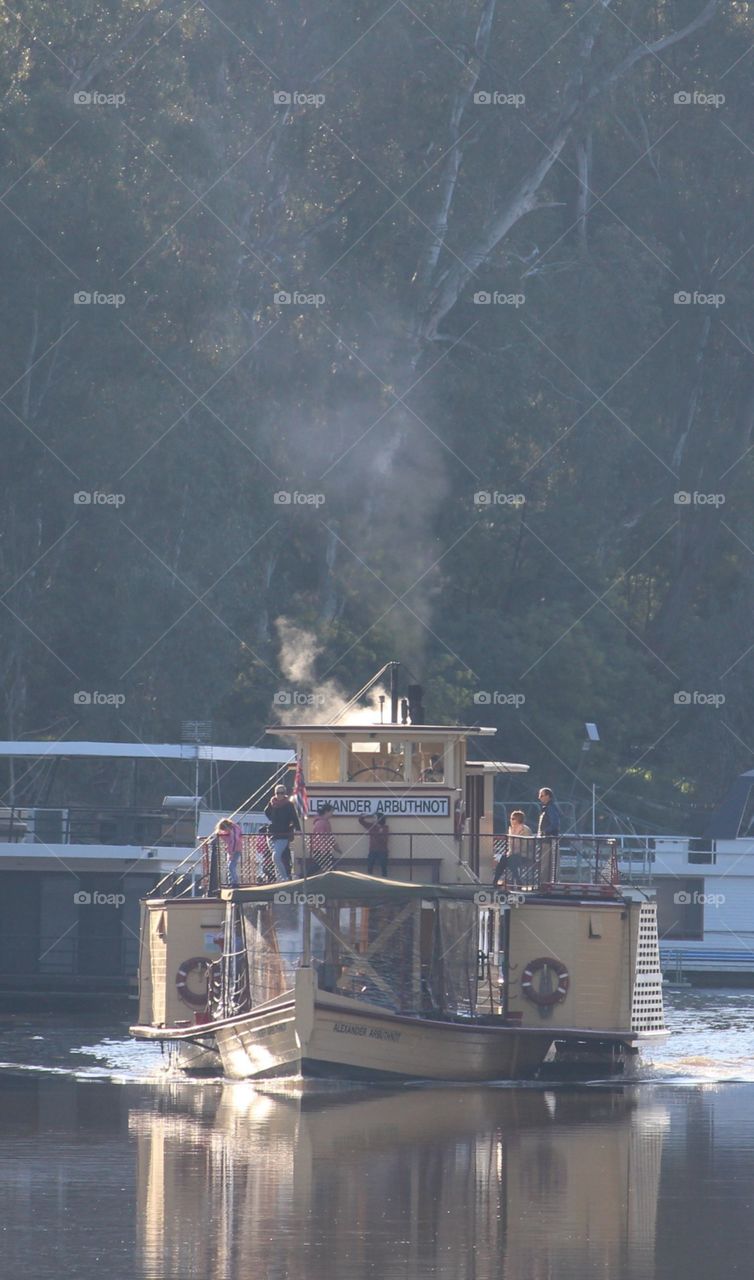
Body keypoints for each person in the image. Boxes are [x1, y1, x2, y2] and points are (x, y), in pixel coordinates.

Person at [264, 784, 301, 881]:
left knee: (276, 857)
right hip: (272, 834)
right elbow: (266, 812)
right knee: (277, 859)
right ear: (275, 794)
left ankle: (285, 878)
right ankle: (279, 878)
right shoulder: (272, 803)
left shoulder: (288, 804)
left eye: (282, 793)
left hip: (284, 834)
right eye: (277, 793)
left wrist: (298, 829)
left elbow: (294, 817)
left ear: (285, 794)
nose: (279, 795)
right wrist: (272, 819)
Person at [537, 787, 561, 882]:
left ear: (548, 796)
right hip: (546, 840)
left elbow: (555, 824)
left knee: (546, 863)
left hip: (548, 840)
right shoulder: (548, 808)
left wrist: (545, 832)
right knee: (546, 863)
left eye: (541, 795)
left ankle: (544, 883)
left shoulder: (550, 808)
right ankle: (546, 882)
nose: (539, 797)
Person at [309, 802, 341, 872]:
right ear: (326, 811)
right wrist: (324, 850)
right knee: (318, 866)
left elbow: (329, 837)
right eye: (331, 812)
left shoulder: (325, 822)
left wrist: (335, 847)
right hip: (321, 850)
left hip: (323, 849)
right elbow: (321, 838)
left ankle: (302, 876)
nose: (332, 814)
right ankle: (301, 876)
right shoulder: (321, 823)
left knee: (319, 866)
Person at [213, 816, 244, 888]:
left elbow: (234, 840)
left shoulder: (234, 829)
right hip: (232, 849)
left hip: (235, 849)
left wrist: (232, 852)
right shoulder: (233, 829)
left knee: (231, 866)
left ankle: (234, 882)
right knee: (230, 866)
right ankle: (231, 882)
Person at [358, 809, 390, 877]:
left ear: (379, 819)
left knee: (383, 868)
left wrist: (379, 833)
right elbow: (361, 821)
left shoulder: (385, 828)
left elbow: (384, 841)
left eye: (375, 817)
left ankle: (385, 881)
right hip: (372, 850)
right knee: (370, 867)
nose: (373, 819)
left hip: (382, 851)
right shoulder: (371, 826)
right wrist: (362, 816)